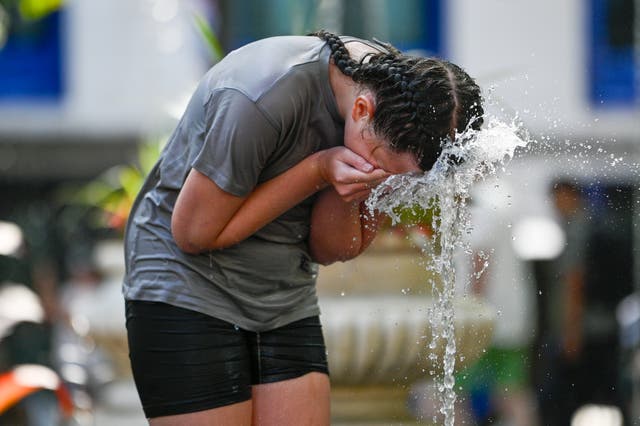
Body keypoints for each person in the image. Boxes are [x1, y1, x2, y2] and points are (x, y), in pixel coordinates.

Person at [122, 30, 484, 425]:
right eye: (383, 171)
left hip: (283, 295)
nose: (385, 184)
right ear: (362, 110)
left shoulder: (401, 102)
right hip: (187, 287)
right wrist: (318, 169)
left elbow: (333, 248)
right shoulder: (261, 93)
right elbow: (193, 234)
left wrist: (342, 184)